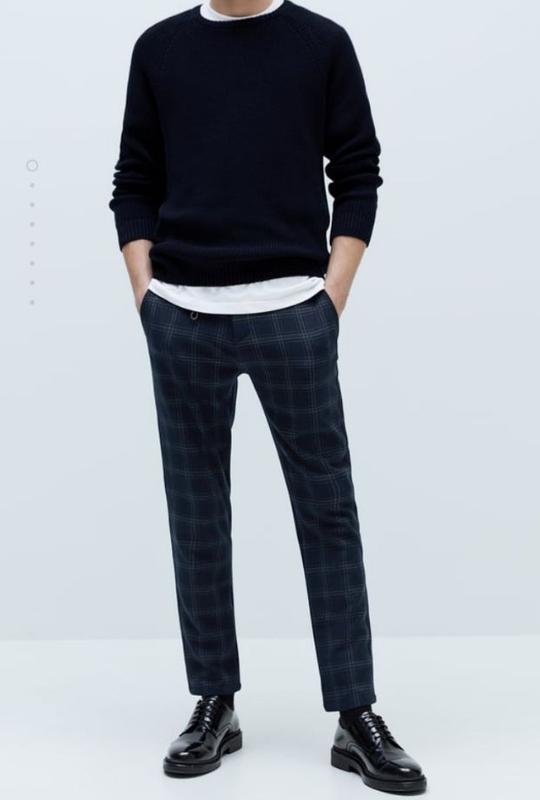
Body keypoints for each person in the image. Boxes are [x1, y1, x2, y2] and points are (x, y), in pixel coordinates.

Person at [109, 0, 427, 792]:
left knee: (328, 512)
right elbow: (134, 180)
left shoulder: (320, 43)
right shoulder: (160, 48)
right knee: (197, 516)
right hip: (182, 314)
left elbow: (358, 173)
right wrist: (147, 297)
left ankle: (355, 714)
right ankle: (214, 702)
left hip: (293, 314)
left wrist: (329, 299)